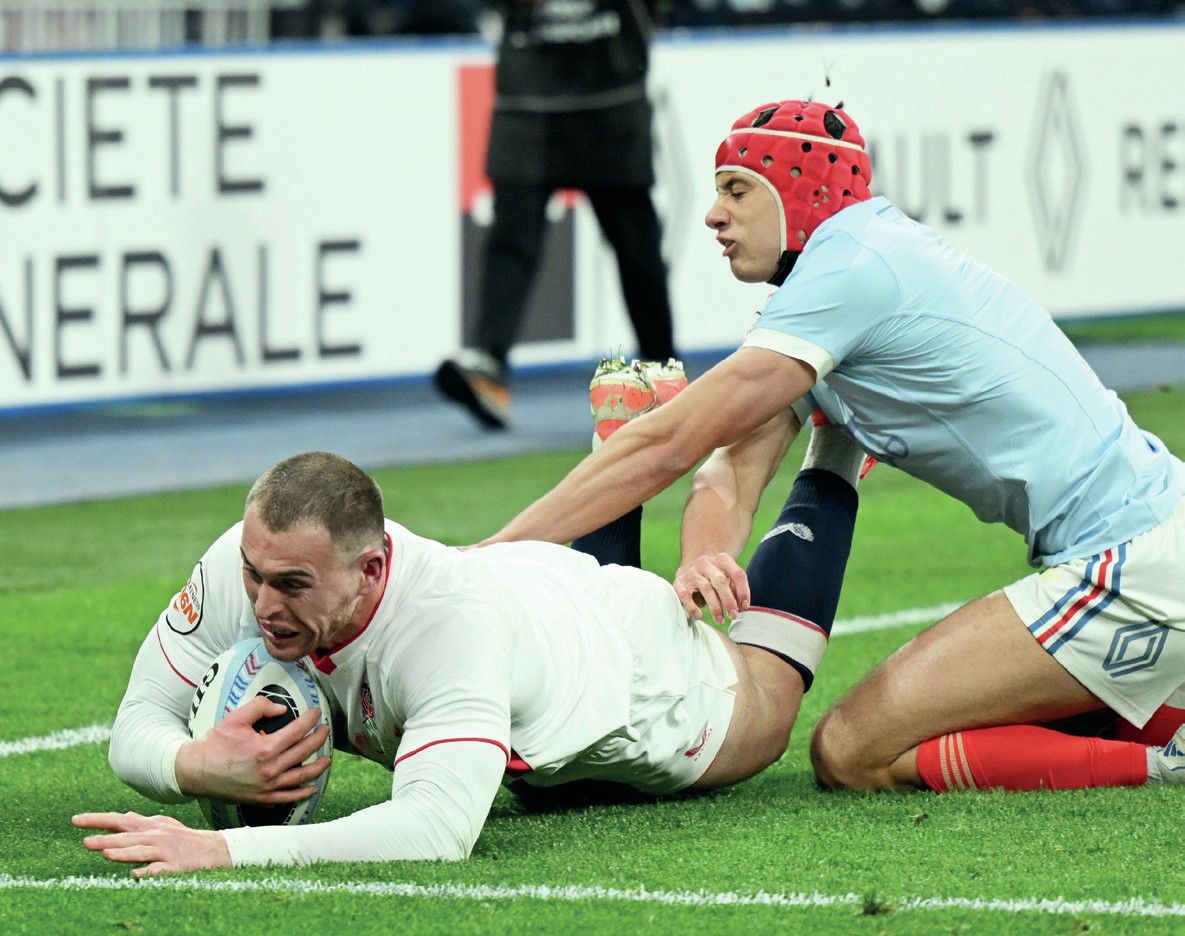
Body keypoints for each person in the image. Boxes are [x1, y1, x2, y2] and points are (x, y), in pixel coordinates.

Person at [480, 98, 1185, 793]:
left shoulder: (852, 270)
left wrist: (484, 560)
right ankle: (1163, 717)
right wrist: (703, 555)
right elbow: (731, 470)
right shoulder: (846, 271)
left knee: (852, 751)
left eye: (736, 190)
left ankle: (1164, 763)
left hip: (1128, 562)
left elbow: (666, 443)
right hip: (1148, 539)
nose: (713, 214)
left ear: (802, 191)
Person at [73, 406, 864, 875]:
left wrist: (223, 851)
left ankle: (834, 443)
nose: (261, 603)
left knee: (768, 704)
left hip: (643, 675)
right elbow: (139, 717)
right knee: (542, 771)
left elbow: (437, 828)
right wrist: (191, 764)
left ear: (371, 569)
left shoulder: (447, 629)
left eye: (291, 585)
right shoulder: (247, 562)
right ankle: (623, 444)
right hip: (521, 605)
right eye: (254, 575)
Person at [435, 0, 677, 429]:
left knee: (637, 247)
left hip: (610, 98)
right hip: (528, 101)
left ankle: (664, 376)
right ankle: (488, 367)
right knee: (510, 241)